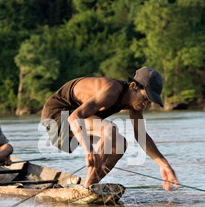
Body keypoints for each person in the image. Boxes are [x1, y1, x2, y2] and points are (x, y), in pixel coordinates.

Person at [41, 67, 179, 191]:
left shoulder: (135, 104)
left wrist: (164, 165)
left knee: (120, 144)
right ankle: (88, 188)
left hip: (75, 128)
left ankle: (88, 187)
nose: (145, 104)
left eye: (149, 101)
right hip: (57, 119)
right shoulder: (111, 90)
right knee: (110, 129)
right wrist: (89, 150)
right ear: (133, 86)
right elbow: (74, 118)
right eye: (145, 98)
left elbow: (141, 136)